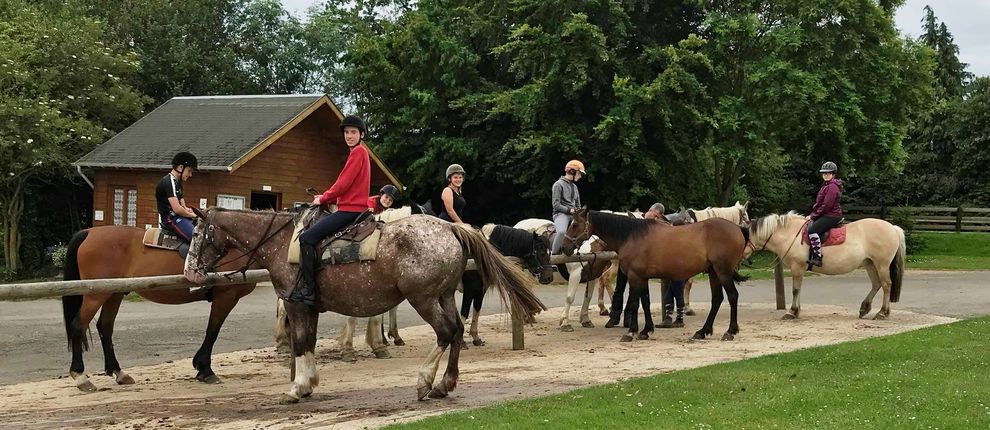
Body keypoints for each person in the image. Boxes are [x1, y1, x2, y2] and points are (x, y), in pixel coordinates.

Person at [288, 115, 372, 307]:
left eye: (353, 132)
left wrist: (323, 198)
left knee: (306, 238)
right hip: (353, 207)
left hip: (349, 211)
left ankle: (310, 290)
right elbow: (349, 187)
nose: (349, 136)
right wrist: (329, 197)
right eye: (346, 132)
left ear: (362, 134)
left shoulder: (358, 152)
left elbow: (343, 184)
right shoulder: (361, 153)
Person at [551, 160, 585, 280]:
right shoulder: (557, 185)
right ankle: (553, 257)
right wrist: (569, 210)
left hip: (574, 215)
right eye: (579, 173)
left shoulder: (575, 187)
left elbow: (578, 204)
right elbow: (556, 205)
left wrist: (581, 213)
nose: (580, 176)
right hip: (561, 214)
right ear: (572, 171)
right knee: (561, 232)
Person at [806, 161, 843, 269]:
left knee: (812, 230)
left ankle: (817, 257)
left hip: (832, 215)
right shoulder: (827, 185)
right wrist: (813, 213)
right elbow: (820, 204)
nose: (826, 175)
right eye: (824, 173)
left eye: (828, 173)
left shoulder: (832, 187)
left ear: (833, 174)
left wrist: (813, 216)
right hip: (827, 213)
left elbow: (827, 205)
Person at [156, 151, 198, 243]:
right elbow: (177, 209)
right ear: (180, 167)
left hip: (178, 217)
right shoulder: (168, 182)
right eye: (189, 171)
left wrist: (190, 210)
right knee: (196, 238)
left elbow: (182, 206)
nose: (190, 175)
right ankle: (191, 258)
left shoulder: (178, 182)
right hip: (170, 219)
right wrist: (193, 216)